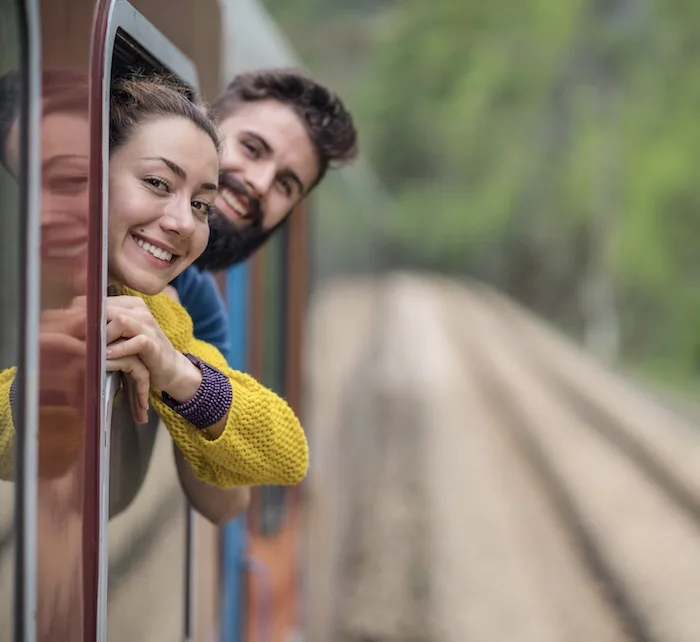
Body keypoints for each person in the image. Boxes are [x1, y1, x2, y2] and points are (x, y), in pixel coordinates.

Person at [0, 73, 309, 491]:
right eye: (158, 183)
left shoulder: (160, 313)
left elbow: (287, 455)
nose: (184, 222)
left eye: (201, 204)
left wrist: (177, 372)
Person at [168, 69, 358, 521]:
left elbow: (227, 503)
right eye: (252, 149)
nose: (259, 183)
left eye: (285, 184)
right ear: (203, 123)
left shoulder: (198, 307)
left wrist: (178, 370)